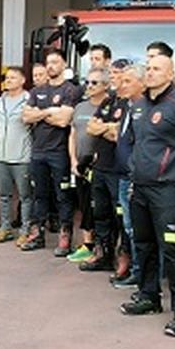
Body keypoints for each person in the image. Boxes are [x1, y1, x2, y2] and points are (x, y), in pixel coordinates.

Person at [119, 51, 175, 337]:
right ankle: (149, 297)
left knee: (174, 249)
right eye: (149, 68)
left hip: (169, 190)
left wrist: (174, 173)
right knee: (144, 244)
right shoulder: (139, 106)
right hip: (140, 189)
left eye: (158, 68)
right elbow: (134, 143)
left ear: (170, 75)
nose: (151, 72)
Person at [21, 49, 81, 253]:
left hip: (59, 152)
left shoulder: (70, 91)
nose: (51, 66)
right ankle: (37, 235)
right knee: (39, 195)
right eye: (48, 62)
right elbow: (26, 117)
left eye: (55, 62)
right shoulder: (37, 91)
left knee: (63, 196)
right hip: (38, 151)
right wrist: (48, 112)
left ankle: (65, 238)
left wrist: (39, 113)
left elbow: (64, 120)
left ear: (64, 65)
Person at [80, 66, 129, 275]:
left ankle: (124, 258)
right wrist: (109, 128)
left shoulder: (132, 104)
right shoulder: (108, 102)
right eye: (114, 76)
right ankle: (102, 254)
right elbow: (91, 128)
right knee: (100, 214)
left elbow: (122, 134)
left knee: (121, 218)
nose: (116, 80)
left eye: (119, 76)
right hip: (101, 168)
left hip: (120, 170)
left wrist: (106, 128)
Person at [108, 60, 146, 288]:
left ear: (142, 83)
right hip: (121, 175)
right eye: (120, 81)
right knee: (129, 227)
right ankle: (135, 270)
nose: (120, 85)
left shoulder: (145, 110)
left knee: (137, 230)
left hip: (135, 178)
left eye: (127, 81)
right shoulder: (128, 107)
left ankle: (140, 275)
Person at [66, 68, 109, 263]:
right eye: (87, 82)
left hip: (100, 166)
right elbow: (73, 135)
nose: (89, 86)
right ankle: (87, 243)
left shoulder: (110, 107)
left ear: (106, 86)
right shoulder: (80, 107)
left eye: (94, 83)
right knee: (83, 204)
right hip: (80, 165)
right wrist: (74, 161)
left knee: (98, 208)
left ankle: (101, 247)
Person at [0, 64, 34, 243]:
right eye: (7, 78)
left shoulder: (29, 99)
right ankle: (5, 228)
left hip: (22, 156)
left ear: (23, 80)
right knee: (4, 195)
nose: (8, 81)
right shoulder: (0, 100)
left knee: (25, 196)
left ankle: (25, 230)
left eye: (13, 77)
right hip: (1, 155)